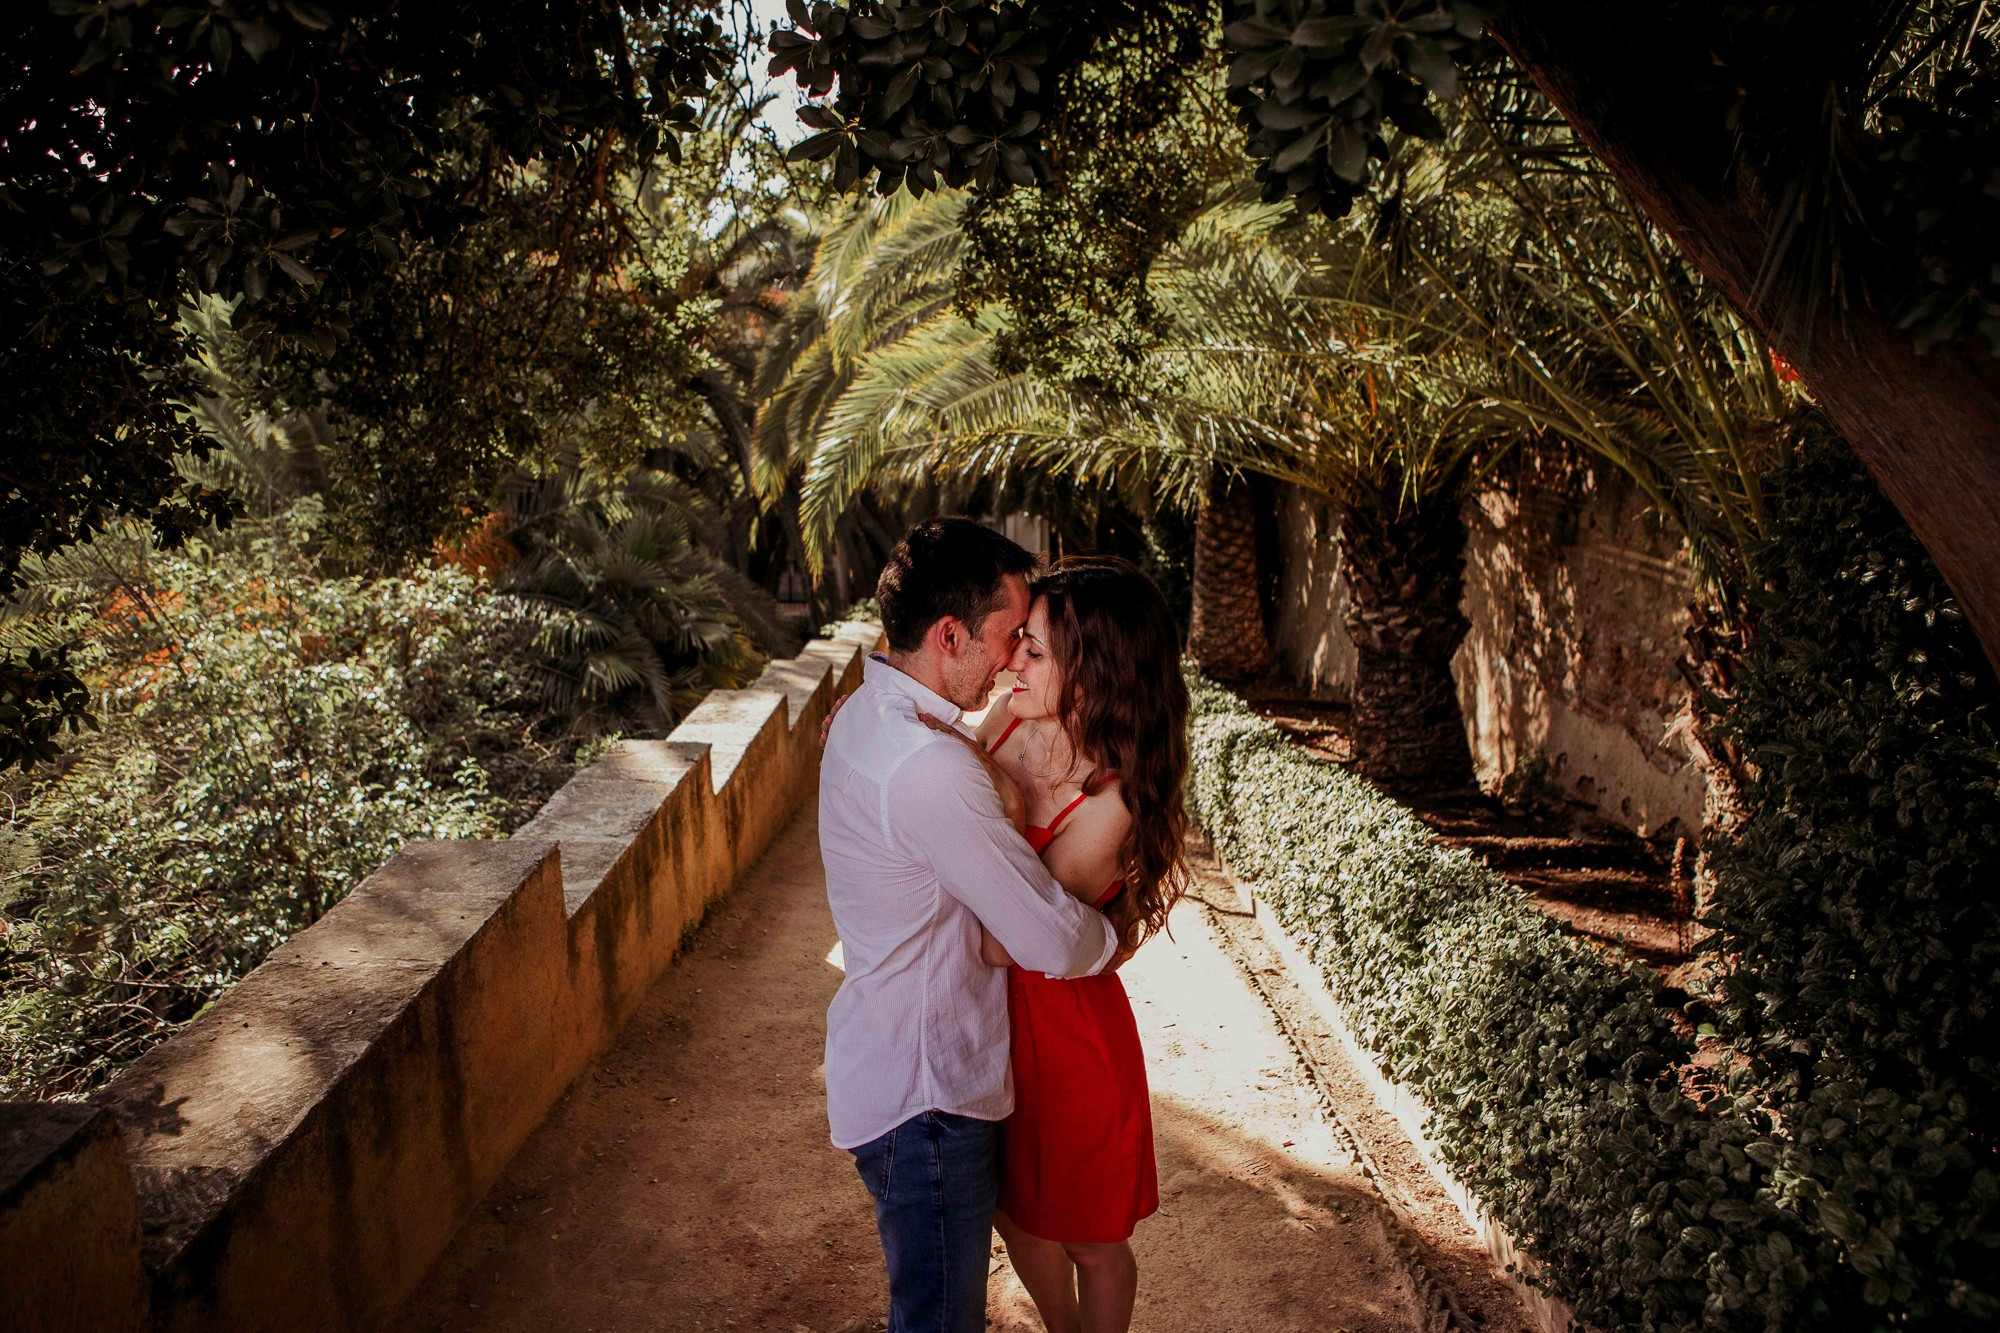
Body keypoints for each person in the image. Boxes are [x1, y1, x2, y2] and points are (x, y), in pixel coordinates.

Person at [819, 518, 1123, 1333]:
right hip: (928, 1095)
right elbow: (1047, 938)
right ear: (950, 635)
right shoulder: (931, 763)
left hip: (888, 1065)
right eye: (1009, 634)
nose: (1015, 656)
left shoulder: (871, 715)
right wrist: (1115, 936)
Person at [946, 556, 1190, 1333]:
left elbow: (1005, 939)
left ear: (1092, 674)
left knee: (1091, 1236)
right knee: (1014, 1214)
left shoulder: (1114, 802)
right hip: (992, 1020)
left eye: (1034, 650)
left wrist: (995, 790)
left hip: (1067, 1036)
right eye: (1018, 640)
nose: (1011, 661)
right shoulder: (1012, 717)